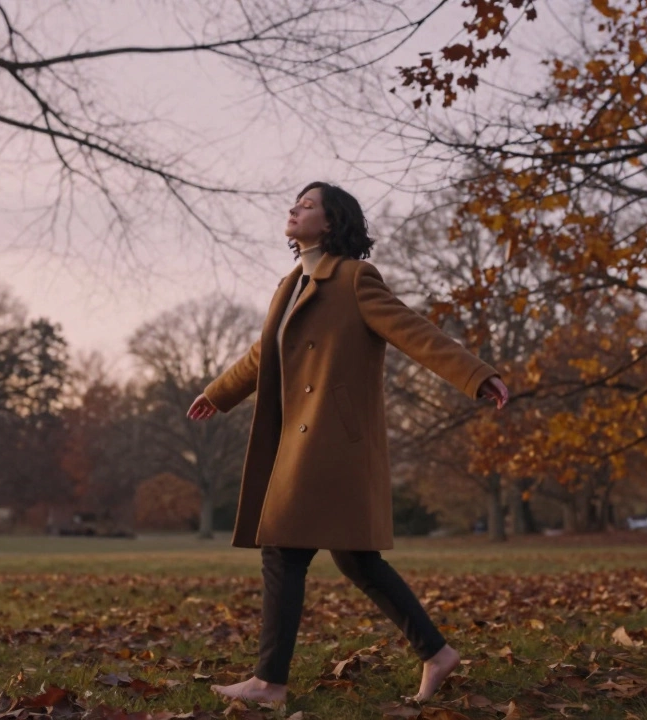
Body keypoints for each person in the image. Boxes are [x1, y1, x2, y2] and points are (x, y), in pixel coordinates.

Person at [186, 181, 509, 705]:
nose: (294, 209)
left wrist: (476, 374)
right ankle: (436, 652)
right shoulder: (291, 284)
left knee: (284, 548)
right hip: (301, 435)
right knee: (356, 559)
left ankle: (269, 682)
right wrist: (218, 392)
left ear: (332, 221)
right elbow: (263, 352)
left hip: (331, 439)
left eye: (307, 204)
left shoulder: (355, 279)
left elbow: (414, 331)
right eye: (296, 202)